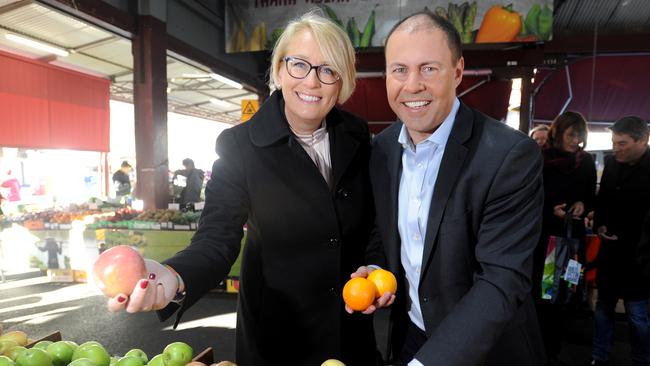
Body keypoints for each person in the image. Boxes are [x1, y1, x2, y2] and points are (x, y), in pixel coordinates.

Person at [100, 12, 381, 366]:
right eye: (299, 65)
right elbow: (217, 238)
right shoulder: (241, 147)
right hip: (280, 336)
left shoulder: (356, 135)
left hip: (350, 328)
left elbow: (372, 221)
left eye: (328, 70)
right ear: (279, 70)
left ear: (341, 81)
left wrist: (374, 265)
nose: (312, 81)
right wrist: (174, 276)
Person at [351, 11, 546, 366]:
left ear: (457, 72)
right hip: (411, 336)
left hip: (486, 349)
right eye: (399, 70)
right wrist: (377, 270)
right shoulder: (381, 150)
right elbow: (386, 231)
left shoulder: (508, 156)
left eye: (429, 68)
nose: (412, 85)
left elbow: (502, 279)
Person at [532, 111, 596, 364]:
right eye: (571, 134)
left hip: (574, 241)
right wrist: (550, 209)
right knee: (546, 295)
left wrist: (583, 203)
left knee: (567, 293)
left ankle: (556, 346)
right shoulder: (542, 159)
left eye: (580, 135)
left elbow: (590, 195)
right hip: (548, 240)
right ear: (559, 133)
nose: (576, 140)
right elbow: (532, 196)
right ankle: (544, 349)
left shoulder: (587, 162)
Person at [589, 116, 650, 366]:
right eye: (614, 142)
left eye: (622, 143)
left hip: (639, 256)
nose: (615, 148)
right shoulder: (612, 164)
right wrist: (600, 224)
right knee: (603, 308)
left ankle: (642, 360)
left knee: (637, 316)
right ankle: (598, 356)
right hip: (611, 253)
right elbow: (602, 201)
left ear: (643, 141)